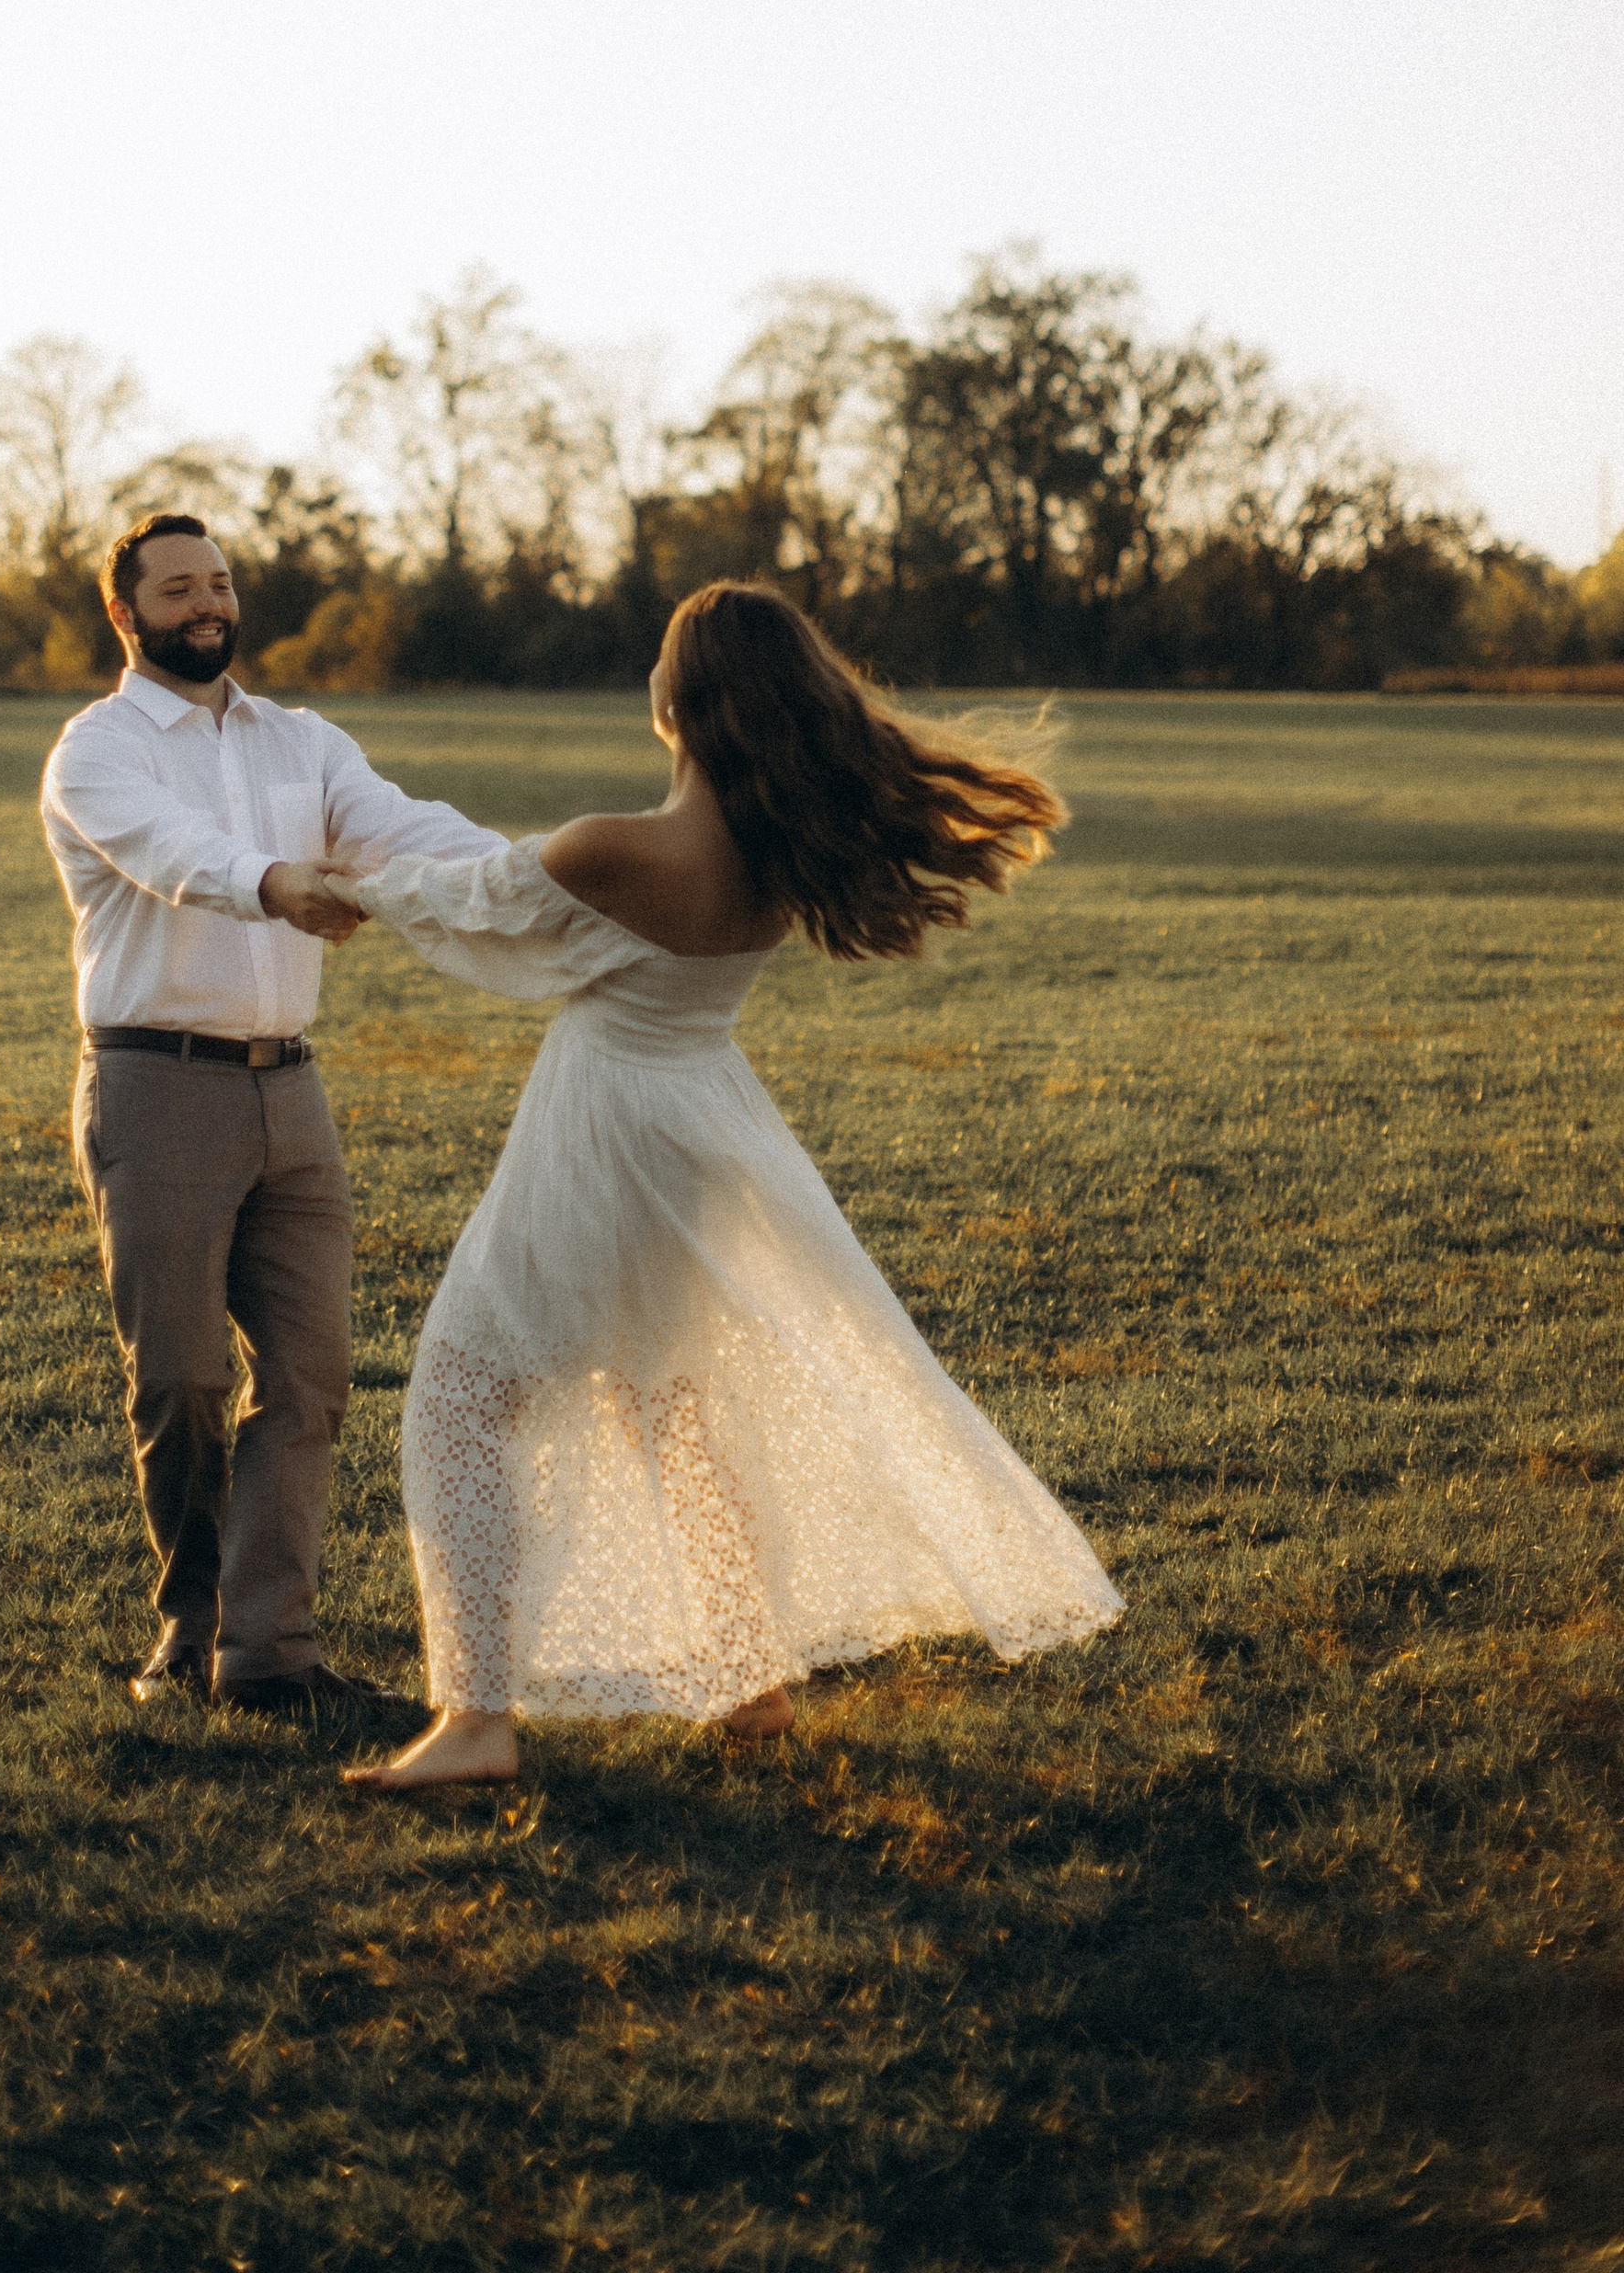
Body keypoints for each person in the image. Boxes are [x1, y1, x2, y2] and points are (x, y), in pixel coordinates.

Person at [326, 580, 1124, 1792]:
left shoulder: (619, 847)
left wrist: (338, 883)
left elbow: (476, 908)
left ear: (678, 700)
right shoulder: (771, 850)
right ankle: (749, 1683)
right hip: (705, 1122)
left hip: (604, 1131)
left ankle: (476, 1722)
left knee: (462, 1394)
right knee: (670, 1403)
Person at [40, 511, 502, 1717]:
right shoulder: (99, 753)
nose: (208, 604)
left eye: (221, 583)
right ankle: (187, 1631)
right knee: (184, 1382)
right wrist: (277, 883)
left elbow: (405, 828)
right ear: (126, 613)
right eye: (180, 588)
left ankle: (269, 1659)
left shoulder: (303, 741)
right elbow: (172, 852)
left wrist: (539, 873)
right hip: (157, 1083)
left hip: (290, 1092)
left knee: (309, 1378)